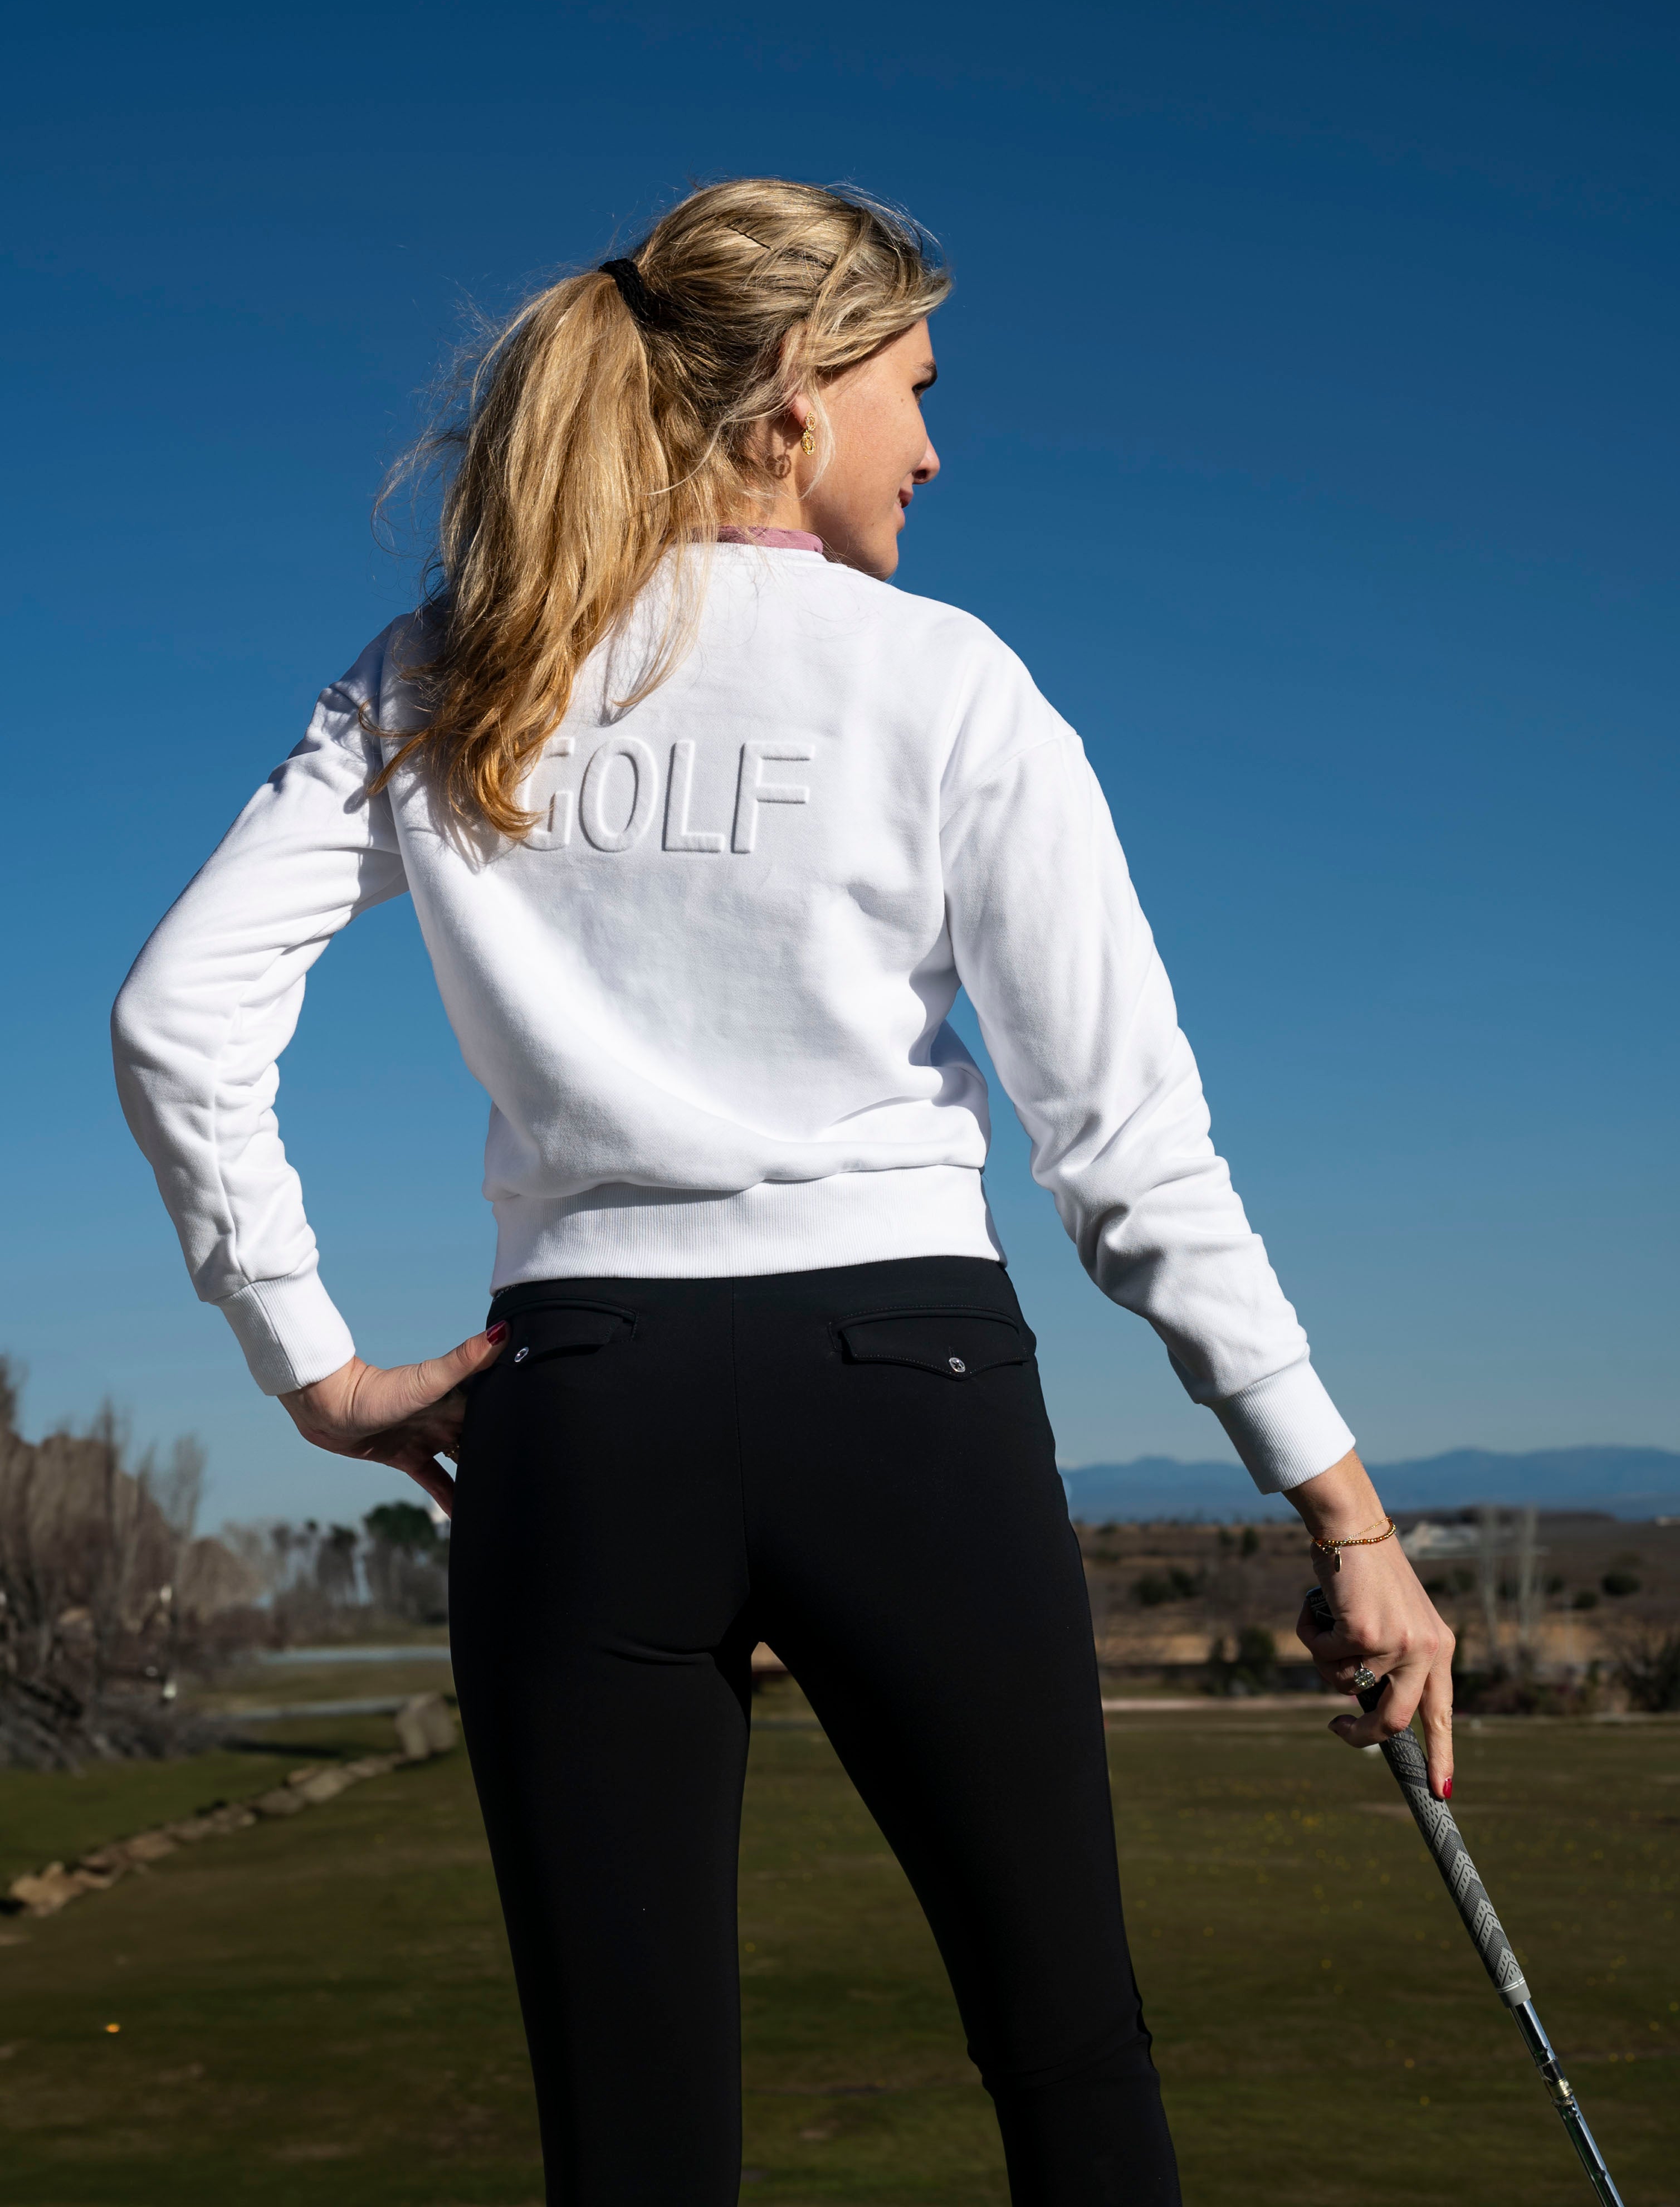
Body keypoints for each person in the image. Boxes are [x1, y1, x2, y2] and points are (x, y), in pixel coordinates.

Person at [113, 178, 1455, 2207]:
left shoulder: (450, 665)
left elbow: (169, 1017)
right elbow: (1127, 1151)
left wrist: (315, 1370)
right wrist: (1343, 1511)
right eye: (913, 387)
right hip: (903, 1397)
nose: (934, 442)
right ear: (791, 402)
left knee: (631, 2139)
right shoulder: (949, 683)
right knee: (1069, 2055)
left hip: (576, 1417)